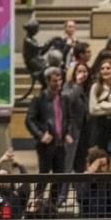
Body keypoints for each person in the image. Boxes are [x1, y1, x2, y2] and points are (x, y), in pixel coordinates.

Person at [25, 67, 75, 196]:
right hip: (46, 144)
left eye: (60, 80)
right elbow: (29, 120)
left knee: (59, 177)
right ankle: (37, 202)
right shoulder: (39, 98)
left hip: (60, 144)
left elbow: (69, 118)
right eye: (54, 81)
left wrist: (68, 132)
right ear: (47, 81)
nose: (58, 83)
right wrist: (40, 135)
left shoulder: (65, 99)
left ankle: (52, 204)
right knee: (44, 176)